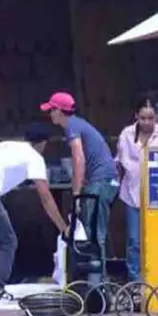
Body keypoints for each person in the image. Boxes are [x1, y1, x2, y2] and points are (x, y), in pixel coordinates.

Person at [0, 124, 70, 300]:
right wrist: (63, 227)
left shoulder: (6, 145)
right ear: (43, 143)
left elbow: (1, 167)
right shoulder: (35, 158)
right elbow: (46, 197)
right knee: (9, 240)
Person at [41, 91, 118, 273]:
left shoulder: (72, 127)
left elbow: (78, 158)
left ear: (59, 110)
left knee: (94, 235)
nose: (50, 114)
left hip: (100, 182)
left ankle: (99, 285)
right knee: (96, 232)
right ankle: (98, 281)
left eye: (51, 110)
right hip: (103, 181)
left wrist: (76, 192)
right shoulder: (78, 124)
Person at [114, 96, 158, 285]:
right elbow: (119, 163)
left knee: (157, 241)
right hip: (132, 195)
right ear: (136, 116)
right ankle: (135, 282)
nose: (147, 122)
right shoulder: (126, 135)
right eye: (143, 118)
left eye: (151, 118)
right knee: (134, 242)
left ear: (156, 117)